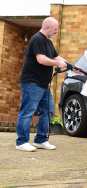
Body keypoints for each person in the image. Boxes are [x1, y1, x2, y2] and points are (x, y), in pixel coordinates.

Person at [15, 17, 67, 152]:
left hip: (43, 84)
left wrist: (70, 64)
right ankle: (21, 142)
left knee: (47, 111)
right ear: (47, 27)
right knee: (27, 112)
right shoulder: (37, 39)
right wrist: (57, 63)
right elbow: (41, 59)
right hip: (32, 82)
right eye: (55, 29)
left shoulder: (48, 42)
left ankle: (41, 140)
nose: (56, 32)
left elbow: (56, 57)